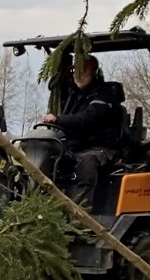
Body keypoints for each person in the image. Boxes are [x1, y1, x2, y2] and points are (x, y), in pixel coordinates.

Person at [43, 55, 123, 205]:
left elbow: (88, 118)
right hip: (75, 147)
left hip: (101, 148)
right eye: (75, 70)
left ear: (94, 72)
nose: (78, 75)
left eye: (84, 70)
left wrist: (58, 119)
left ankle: (81, 213)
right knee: (48, 158)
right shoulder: (73, 96)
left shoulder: (104, 96)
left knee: (87, 162)